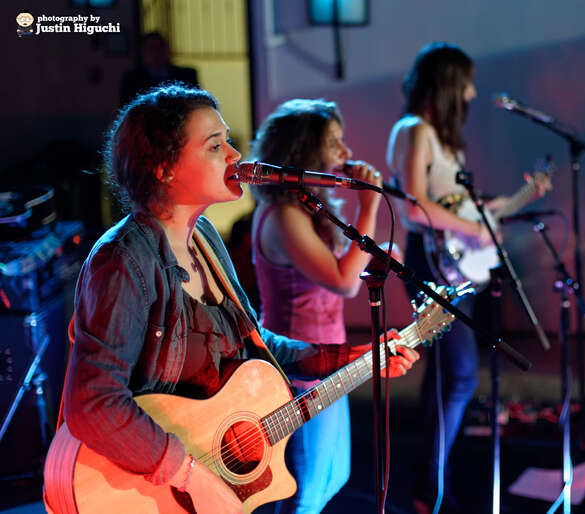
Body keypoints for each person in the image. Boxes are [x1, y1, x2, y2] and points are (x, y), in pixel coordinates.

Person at [52, 85, 417, 513]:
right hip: (139, 489)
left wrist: (350, 357)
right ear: (165, 168)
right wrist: (189, 473)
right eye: (215, 145)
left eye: (228, 140)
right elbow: (93, 405)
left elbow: (254, 342)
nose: (234, 155)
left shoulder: (205, 239)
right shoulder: (123, 260)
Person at [386, 43, 550, 513]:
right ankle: (428, 485)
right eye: (467, 83)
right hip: (431, 261)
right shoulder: (414, 130)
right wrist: (473, 229)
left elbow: (465, 208)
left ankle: (435, 480)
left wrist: (523, 195)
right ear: (448, 85)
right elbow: (415, 205)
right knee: (455, 374)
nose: (474, 93)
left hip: (453, 260)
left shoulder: (439, 138)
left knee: (451, 375)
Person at [249, 98, 384, 513]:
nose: (346, 154)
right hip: (298, 367)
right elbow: (345, 282)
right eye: (335, 144)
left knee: (333, 475)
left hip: (328, 361)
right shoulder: (283, 214)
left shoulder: (307, 209)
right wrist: (369, 207)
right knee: (304, 487)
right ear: (304, 153)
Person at [120, 32, 199, 106]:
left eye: (160, 47)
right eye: (151, 48)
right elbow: (126, 108)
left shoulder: (187, 75)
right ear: (143, 52)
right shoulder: (131, 79)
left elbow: (196, 104)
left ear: (168, 50)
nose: (156, 52)